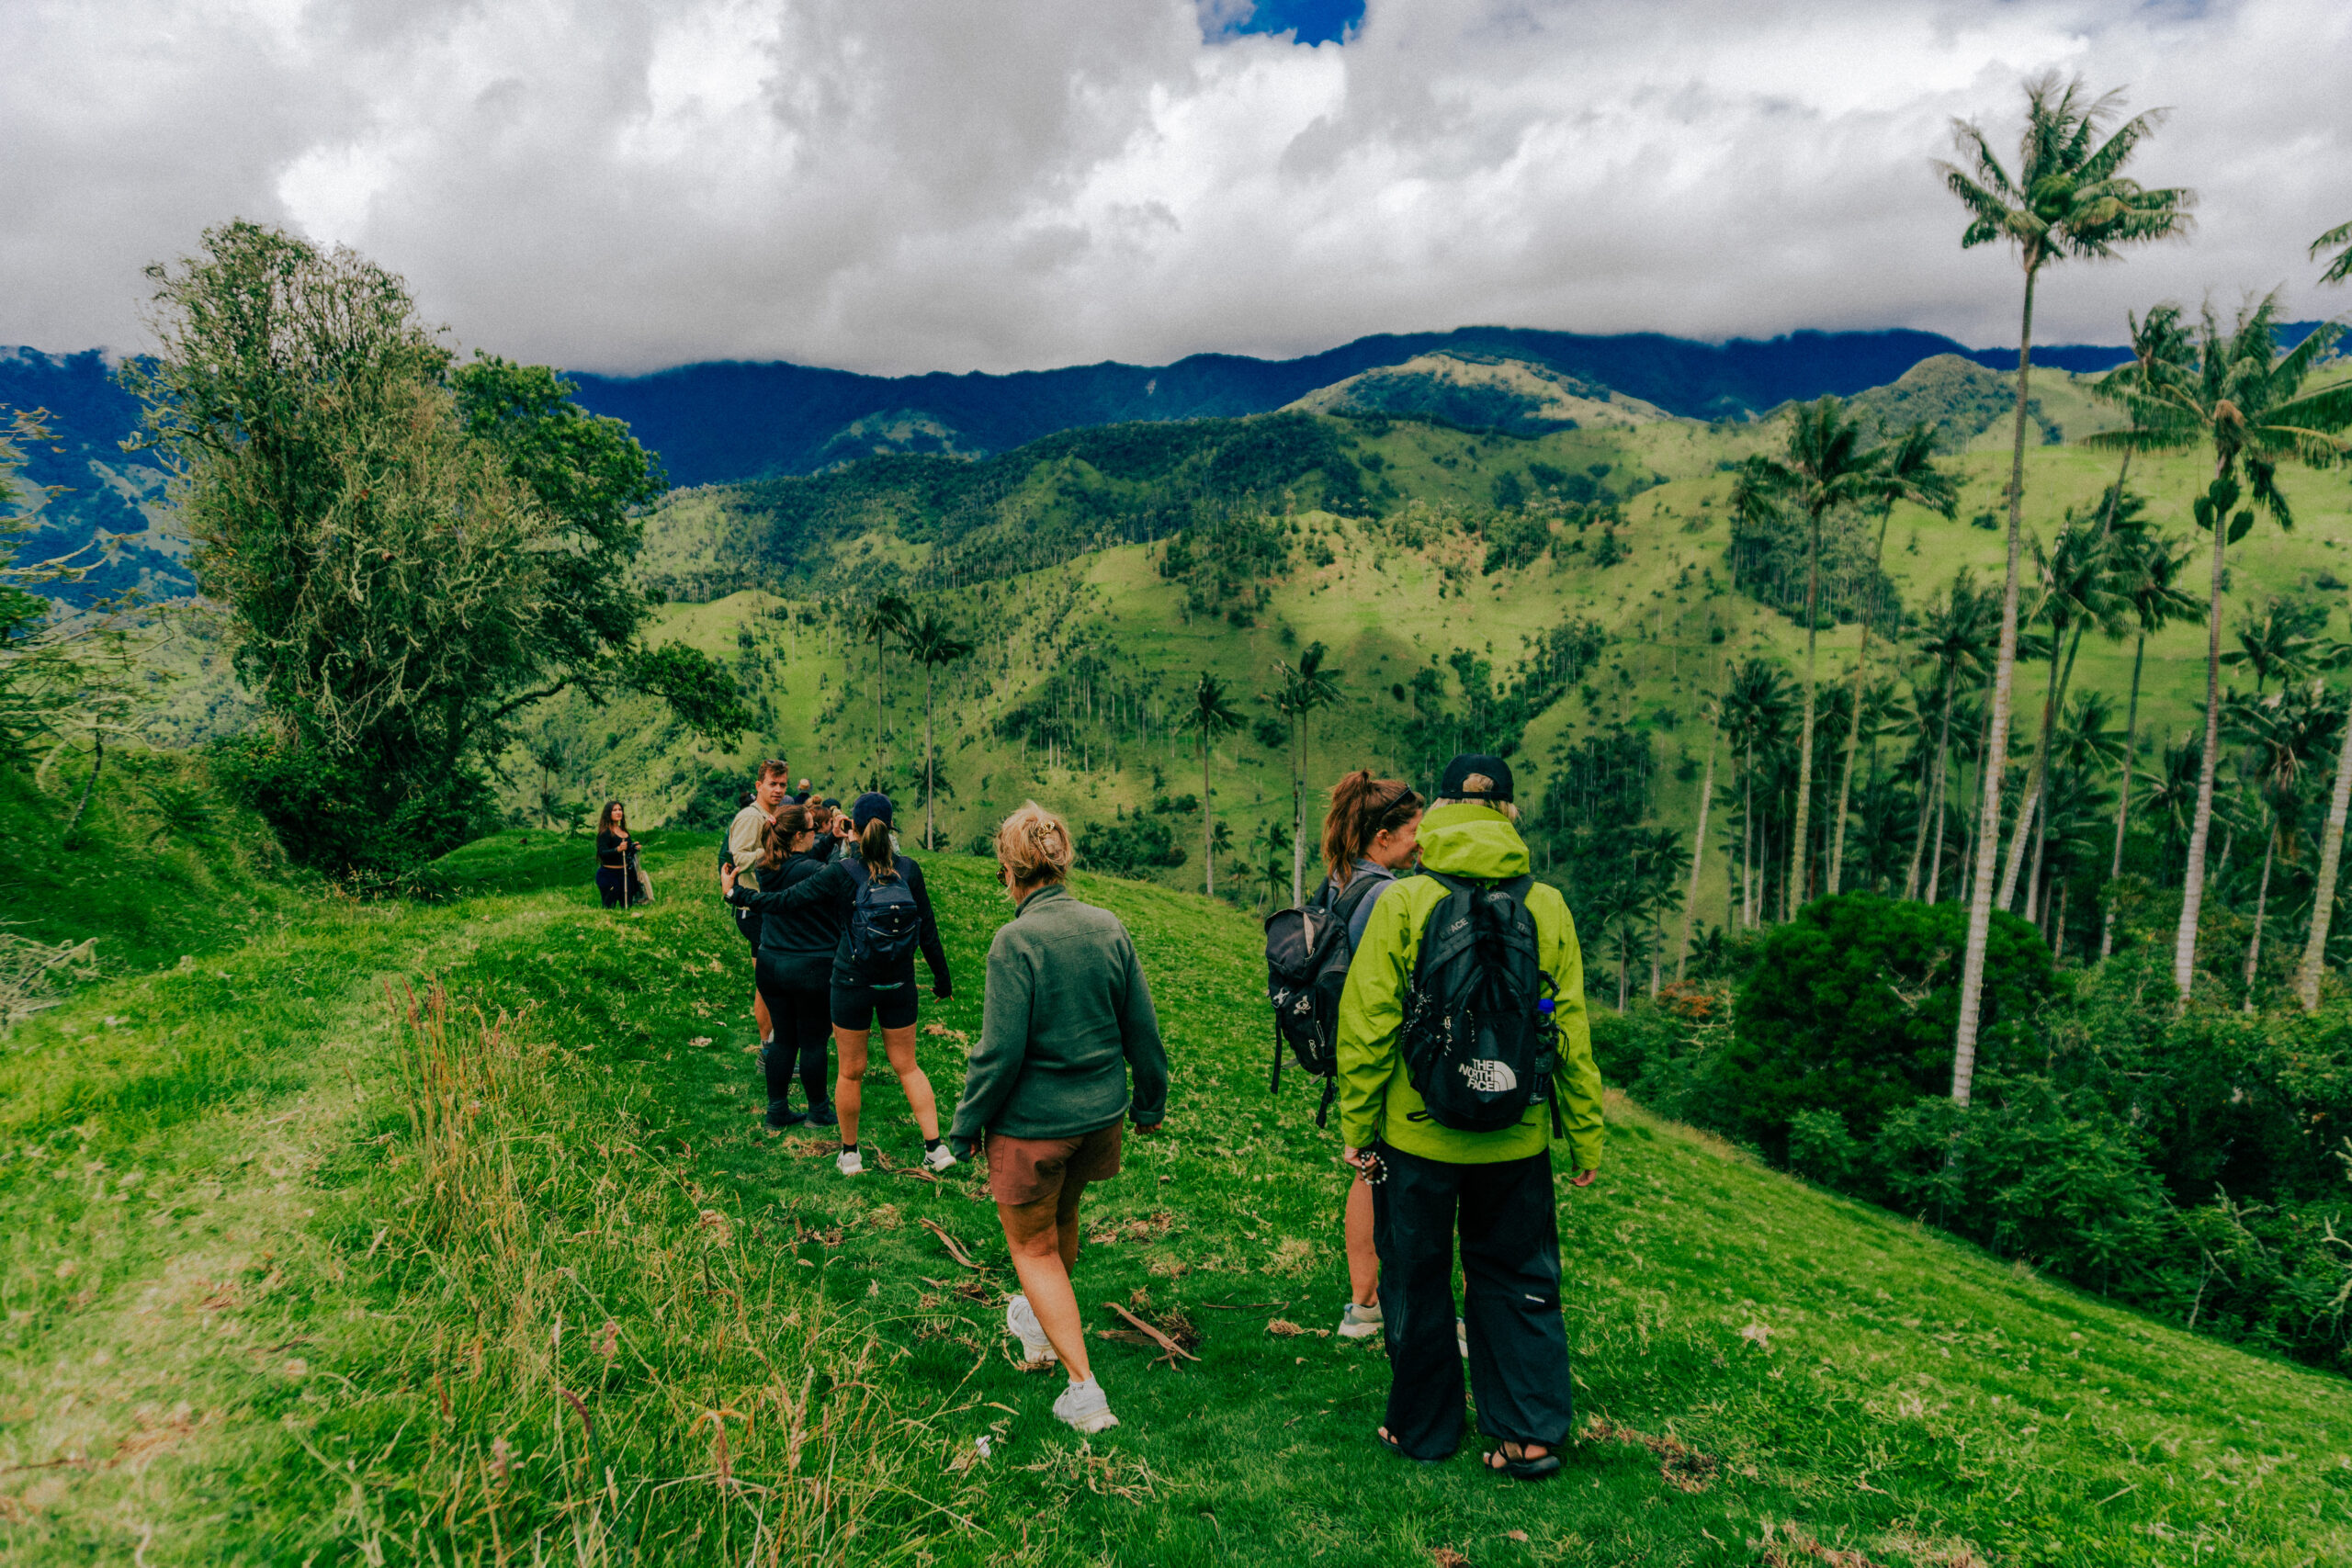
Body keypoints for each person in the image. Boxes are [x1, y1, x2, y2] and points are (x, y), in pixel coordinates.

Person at [1334, 753, 1603, 1480]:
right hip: (1516, 1136)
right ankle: (1529, 1435)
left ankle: (1422, 1429)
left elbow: (1367, 1027)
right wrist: (1584, 1132)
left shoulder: (1403, 901)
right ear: (1508, 814)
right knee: (1518, 1276)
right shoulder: (1546, 905)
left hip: (1416, 1133)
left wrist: (1358, 1126)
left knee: (1416, 1279)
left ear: (1442, 808)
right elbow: (1568, 1030)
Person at [945, 803, 1168, 1435]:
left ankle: (1084, 1390)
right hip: (1100, 1117)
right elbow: (1142, 1027)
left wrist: (962, 1130)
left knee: (1031, 1245)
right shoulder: (1107, 925)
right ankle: (1039, 1327)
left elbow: (999, 1052)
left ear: (1011, 871)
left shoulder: (1014, 941)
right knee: (1063, 1218)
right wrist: (1150, 1101)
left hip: (1033, 1129)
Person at [724, 792, 956, 1176]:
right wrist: (942, 980)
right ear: (891, 826)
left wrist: (736, 893)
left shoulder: (843, 872)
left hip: (852, 980)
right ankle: (936, 1146)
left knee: (851, 1071)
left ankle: (850, 1154)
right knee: (909, 1067)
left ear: (856, 829)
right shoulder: (910, 870)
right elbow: (928, 931)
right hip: (899, 983)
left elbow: (785, 900)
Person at [1309, 771, 1426, 1341]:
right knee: (1390, 1175)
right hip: (1380, 1050)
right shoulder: (1387, 894)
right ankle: (1382, 1304)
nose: (1419, 843)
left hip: (1346, 1050)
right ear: (1382, 836)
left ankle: (1364, 1303)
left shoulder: (1339, 878)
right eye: (1412, 832)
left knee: (1365, 1171)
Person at [740, 804, 840, 1127]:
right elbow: (817, 869)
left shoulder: (767, 866)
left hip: (771, 963)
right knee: (813, 1040)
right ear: (798, 835)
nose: (818, 834)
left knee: (783, 1038)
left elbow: (800, 860)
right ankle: (818, 1110)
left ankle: (777, 1110)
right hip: (811, 965)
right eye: (814, 829)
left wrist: (831, 839)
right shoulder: (813, 872)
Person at [728, 761, 792, 1043]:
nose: (778, 790)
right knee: (767, 985)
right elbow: (738, 859)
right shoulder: (749, 818)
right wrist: (773, 852)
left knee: (774, 982)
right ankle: (767, 1046)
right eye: (772, 784)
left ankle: (776, 1043)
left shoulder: (777, 814)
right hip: (754, 909)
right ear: (759, 786)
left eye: (782, 785)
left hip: (773, 908)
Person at [594, 801, 641, 909]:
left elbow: (627, 853)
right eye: (614, 810)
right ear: (608, 813)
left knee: (627, 905)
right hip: (608, 875)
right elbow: (602, 853)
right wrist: (618, 849)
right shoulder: (605, 832)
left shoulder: (624, 831)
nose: (618, 812)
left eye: (620, 810)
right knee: (609, 906)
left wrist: (634, 848)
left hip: (624, 874)